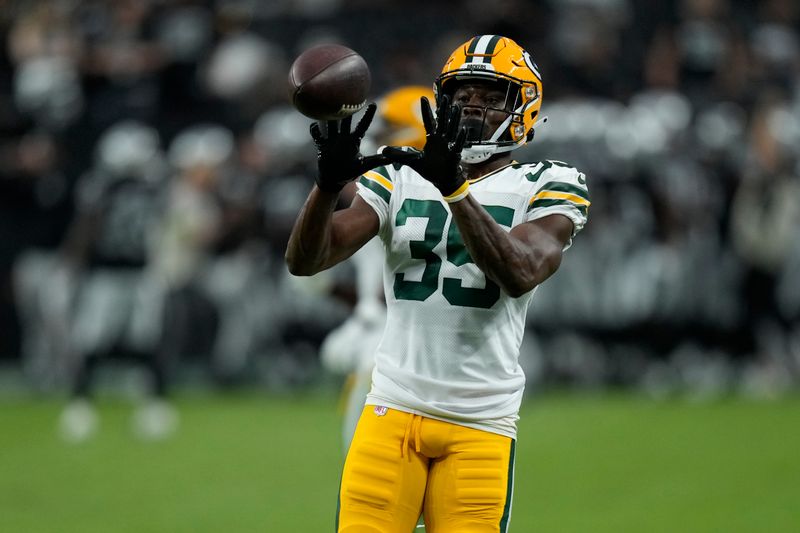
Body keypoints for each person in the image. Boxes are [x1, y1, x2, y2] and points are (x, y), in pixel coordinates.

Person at [286, 35, 589, 533]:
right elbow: (306, 260)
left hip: (480, 421)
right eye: (462, 94)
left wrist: (455, 187)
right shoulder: (400, 174)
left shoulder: (548, 181)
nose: (472, 107)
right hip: (393, 406)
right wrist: (325, 188)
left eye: (491, 97)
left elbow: (520, 272)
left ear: (525, 108)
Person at [319, 86, 435, 453]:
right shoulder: (385, 188)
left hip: (408, 336)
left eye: (386, 131)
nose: (374, 140)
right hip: (384, 327)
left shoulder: (409, 192)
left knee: (374, 454)